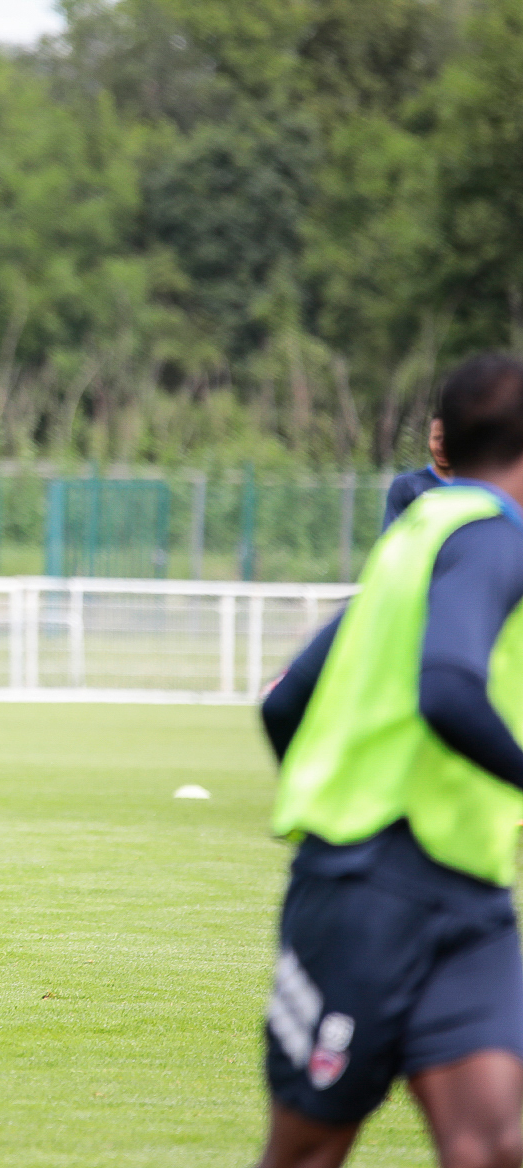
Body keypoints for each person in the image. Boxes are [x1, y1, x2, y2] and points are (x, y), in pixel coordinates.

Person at [255, 351, 523, 1168]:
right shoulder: (492, 541)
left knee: (494, 1144)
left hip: (465, 897)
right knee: (308, 1151)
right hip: (374, 893)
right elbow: (446, 687)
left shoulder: (419, 536)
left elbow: (285, 702)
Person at [382, 415, 453, 529]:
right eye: (436, 438)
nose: (441, 446)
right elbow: (391, 538)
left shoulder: (481, 488)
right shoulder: (407, 485)